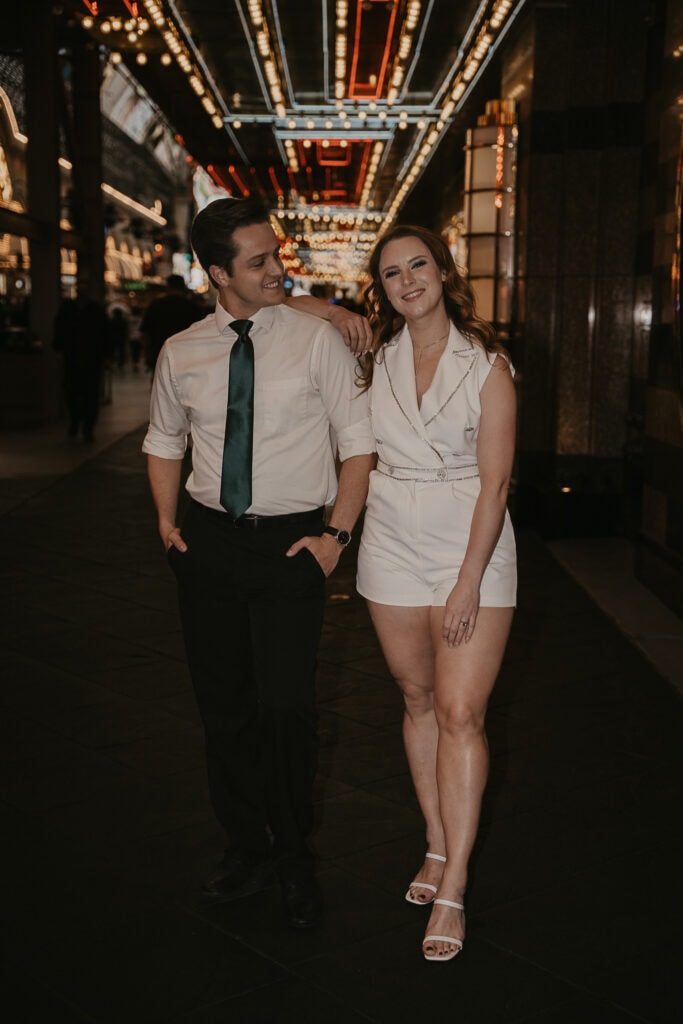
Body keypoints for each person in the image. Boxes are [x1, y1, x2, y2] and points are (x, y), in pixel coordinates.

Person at [142, 197, 375, 930]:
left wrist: (335, 537)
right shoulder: (182, 351)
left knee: (286, 709)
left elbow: (358, 444)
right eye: (258, 262)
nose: (278, 268)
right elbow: (161, 439)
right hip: (208, 543)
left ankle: (294, 855)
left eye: (276, 255)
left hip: (291, 545)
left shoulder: (316, 340)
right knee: (226, 711)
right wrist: (165, 522)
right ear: (217, 274)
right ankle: (244, 849)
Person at [355, 225, 517, 962]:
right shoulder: (373, 358)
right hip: (389, 537)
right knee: (416, 699)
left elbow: (495, 483)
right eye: (391, 273)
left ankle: (453, 882)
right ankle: (432, 840)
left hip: (467, 541)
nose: (407, 280)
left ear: (442, 272)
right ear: (380, 289)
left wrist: (466, 581)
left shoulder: (485, 365)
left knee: (460, 710)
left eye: (418, 264)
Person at [53, 279, 110, 442]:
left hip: (91, 358)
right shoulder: (69, 309)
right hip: (74, 357)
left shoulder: (95, 311)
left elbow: (104, 335)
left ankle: (87, 426)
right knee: (73, 391)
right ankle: (76, 421)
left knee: (90, 394)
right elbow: (60, 330)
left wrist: (105, 355)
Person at [140, 273, 203, 372]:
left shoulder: (156, 306)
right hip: (186, 355)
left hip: (160, 352)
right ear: (183, 287)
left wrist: (147, 354)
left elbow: (145, 332)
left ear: (167, 287)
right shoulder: (191, 307)